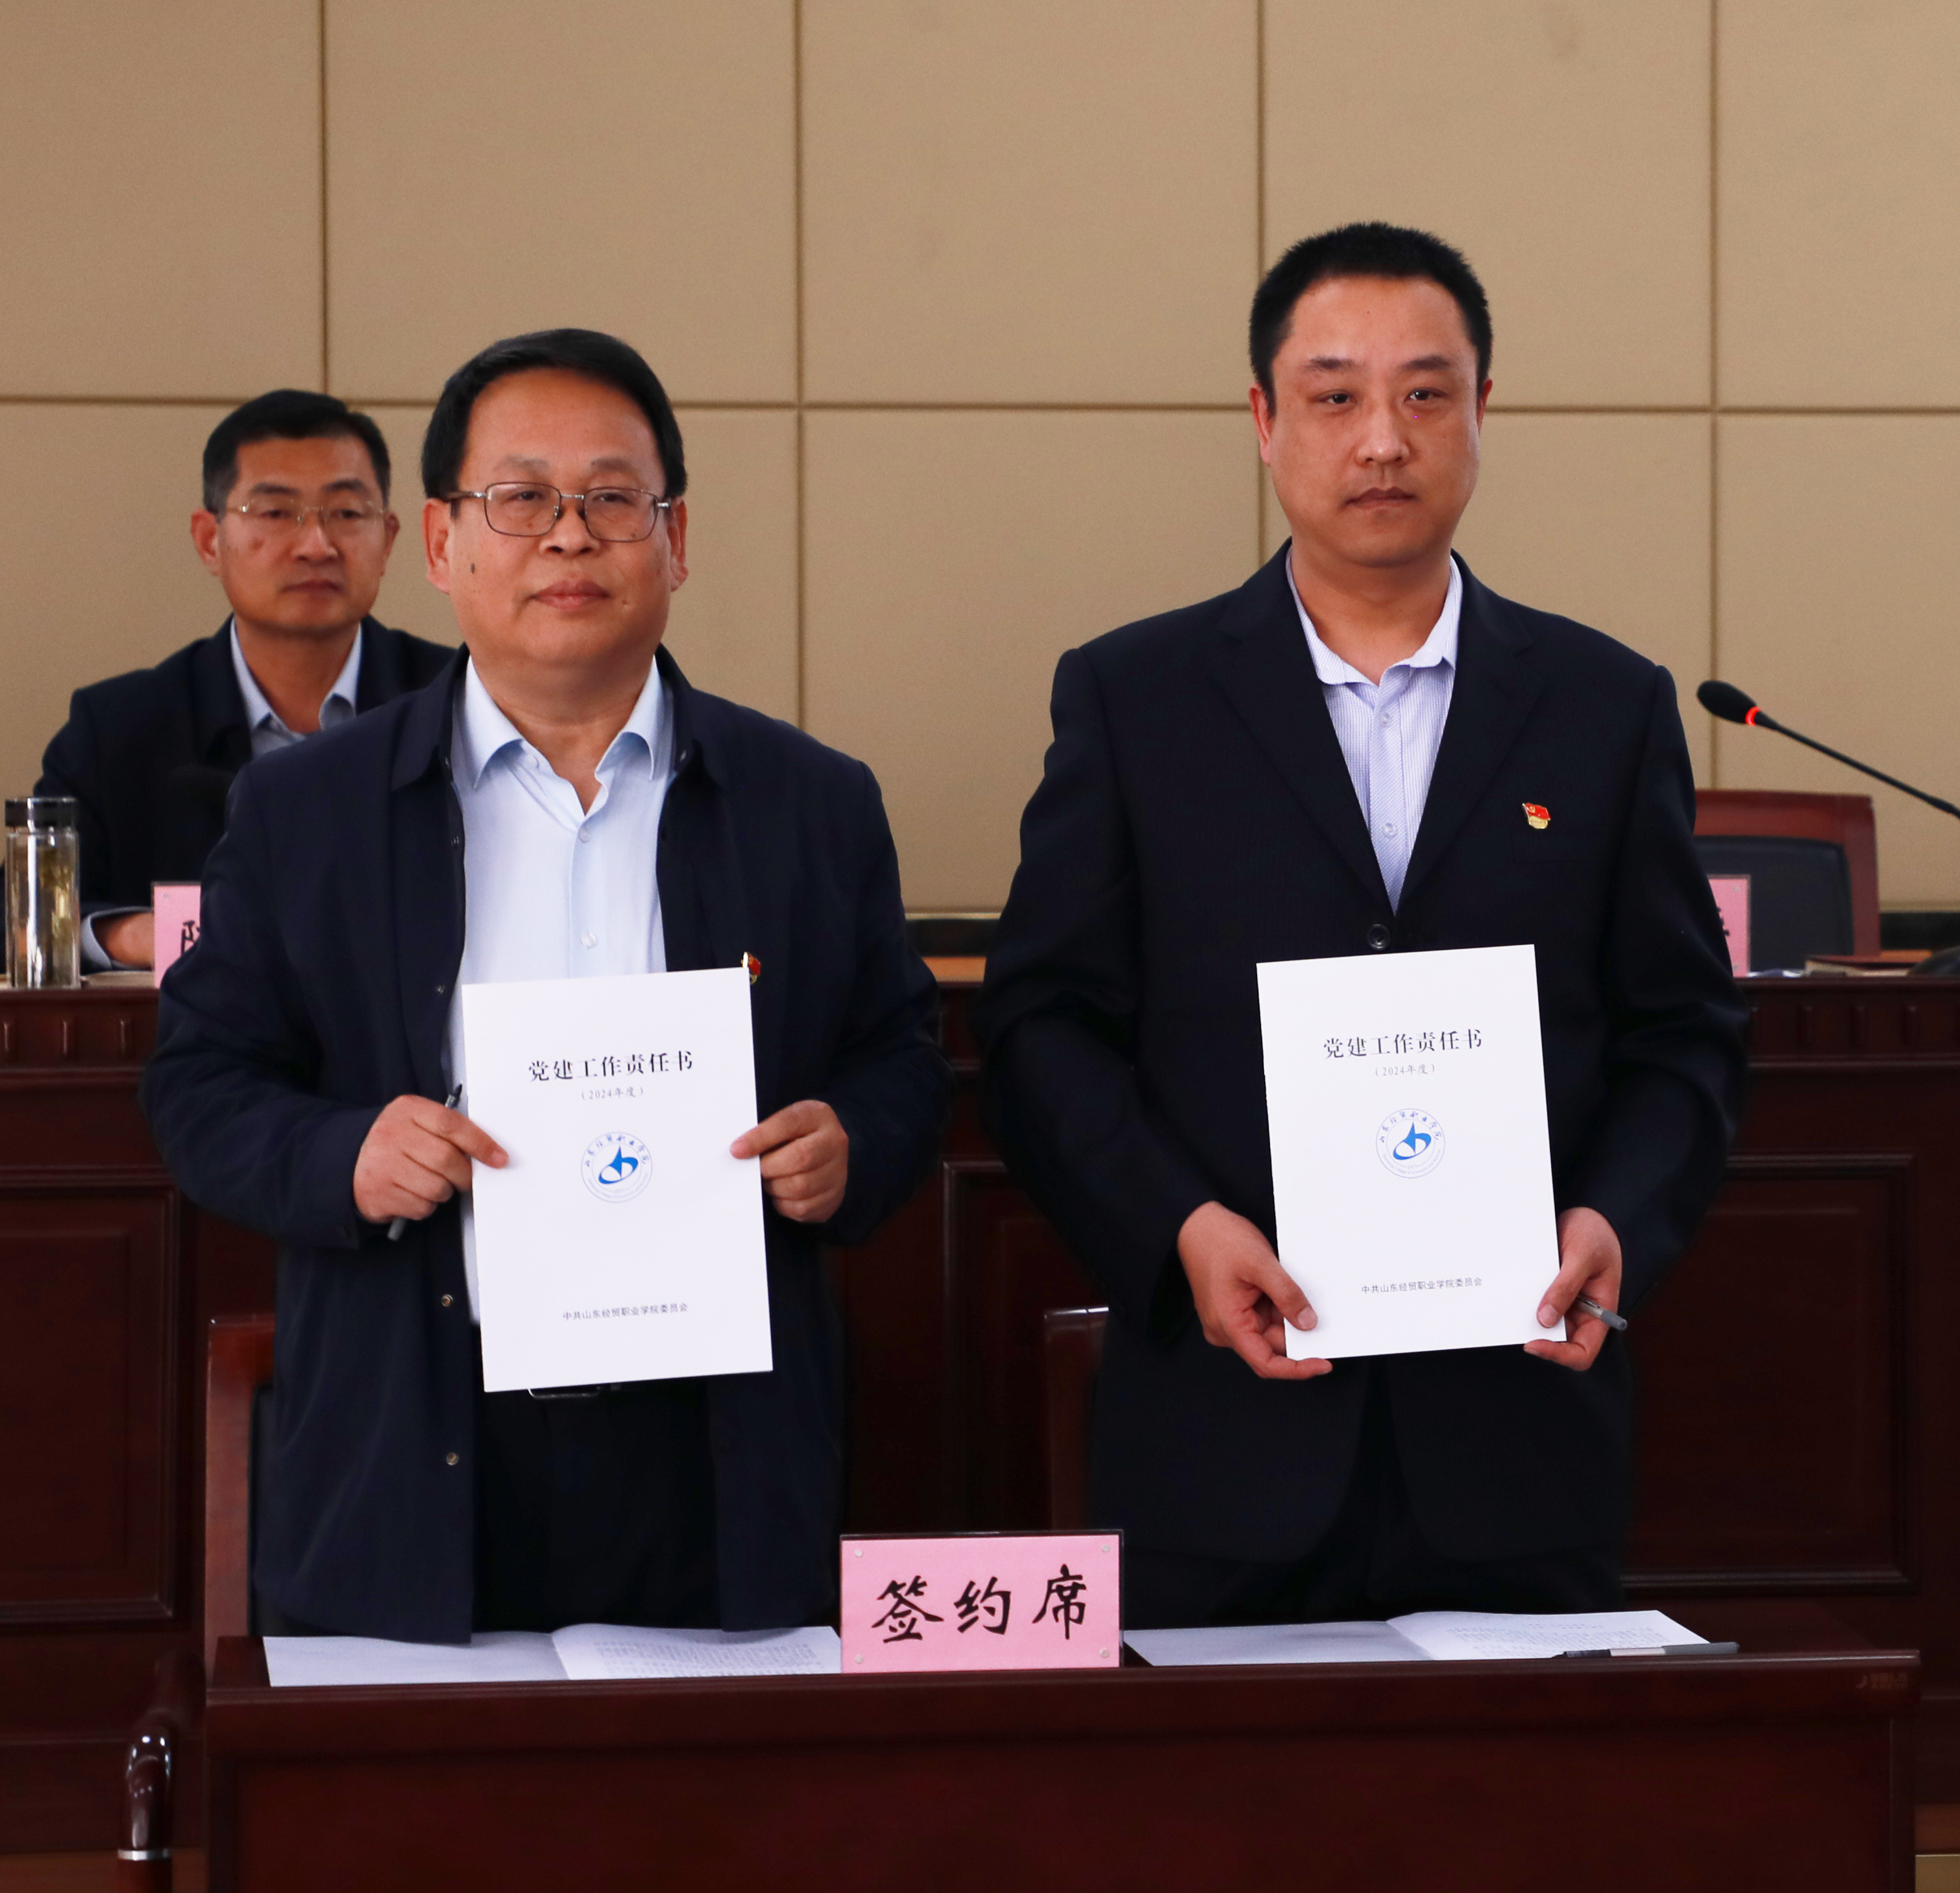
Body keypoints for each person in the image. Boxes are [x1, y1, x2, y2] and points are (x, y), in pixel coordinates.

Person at [976, 223, 1747, 1628]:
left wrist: (1615, 1222)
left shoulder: (1604, 705)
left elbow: (1683, 1029)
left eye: (1424, 394)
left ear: (1481, 412)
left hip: (1519, 1440)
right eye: (1334, 396)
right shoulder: (1135, 699)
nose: (1382, 439)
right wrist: (1180, 1230)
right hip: (1221, 1439)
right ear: (1265, 421)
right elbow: (1041, 1025)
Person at [141, 328, 948, 1643]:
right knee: (425, 1782)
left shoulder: (809, 801)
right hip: (414, 1436)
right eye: (521, 497)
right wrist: (347, 1155)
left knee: (720, 1778)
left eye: (612, 497)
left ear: (674, 539)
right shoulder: (307, 810)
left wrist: (850, 1141)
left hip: (717, 1449)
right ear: (442, 541)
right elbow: (199, 1085)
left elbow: (902, 1055)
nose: (569, 534)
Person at [38, 389, 452, 970]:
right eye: (276, 513)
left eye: (346, 513)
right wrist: (137, 935)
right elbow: (30, 912)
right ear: (210, 541)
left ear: (388, 540)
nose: (316, 546)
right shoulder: (116, 730)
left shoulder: (457, 702)